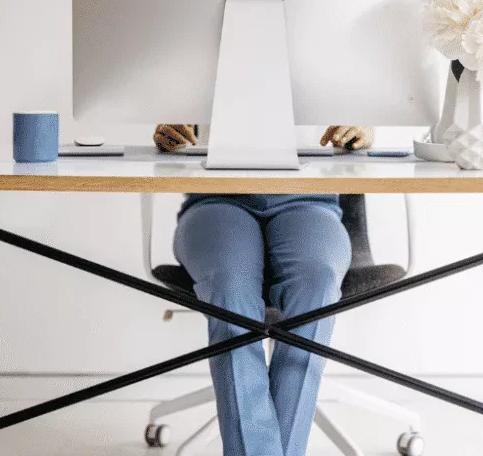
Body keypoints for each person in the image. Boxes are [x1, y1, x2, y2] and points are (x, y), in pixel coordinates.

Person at [154, 124, 375, 456]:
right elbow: (169, 121)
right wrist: (169, 135)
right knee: (230, 287)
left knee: (318, 283)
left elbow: (374, 107)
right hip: (215, 200)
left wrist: (364, 128)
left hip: (309, 202)